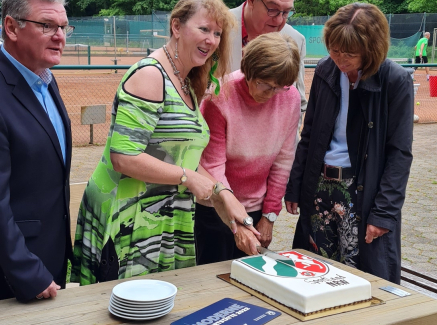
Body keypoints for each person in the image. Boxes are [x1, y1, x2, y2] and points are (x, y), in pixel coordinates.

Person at [71, 0, 256, 286]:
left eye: (217, 33)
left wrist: (225, 195)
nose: (212, 40)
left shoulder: (187, 81)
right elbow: (124, 156)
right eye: (204, 29)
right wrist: (187, 177)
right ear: (177, 26)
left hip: (161, 215)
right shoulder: (150, 75)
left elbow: (184, 159)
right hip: (128, 217)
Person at [285, 3, 413, 284]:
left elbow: (399, 153)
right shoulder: (325, 70)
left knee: (360, 280)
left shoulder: (395, 80)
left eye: (350, 54)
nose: (340, 59)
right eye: (334, 50)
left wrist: (384, 213)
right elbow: (309, 135)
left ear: (371, 50)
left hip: (362, 193)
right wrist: (295, 186)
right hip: (320, 186)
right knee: (315, 275)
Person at [195, 32, 301, 265]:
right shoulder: (221, 95)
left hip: (256, 208)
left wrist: (269, 216)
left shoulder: (289, 97)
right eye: (264, 84)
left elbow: (283, 161)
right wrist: (236, 222)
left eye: (278, 87)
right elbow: (213, 166)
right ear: (249, 70)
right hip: (215, 206)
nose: (271, 94)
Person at [0, 0, 73, 301]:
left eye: (64, 27)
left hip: (48, 261)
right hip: (14, 275)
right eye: (47, 25)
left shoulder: (44, 78)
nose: (60, 36)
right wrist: (28, 271)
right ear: (11, 28)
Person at [229, 0, 307, 128]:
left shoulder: (295, 40)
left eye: (286, 12)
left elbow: (297, 105)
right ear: (251, 2)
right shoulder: (215, 27)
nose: (279, 20)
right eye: (272, 9)